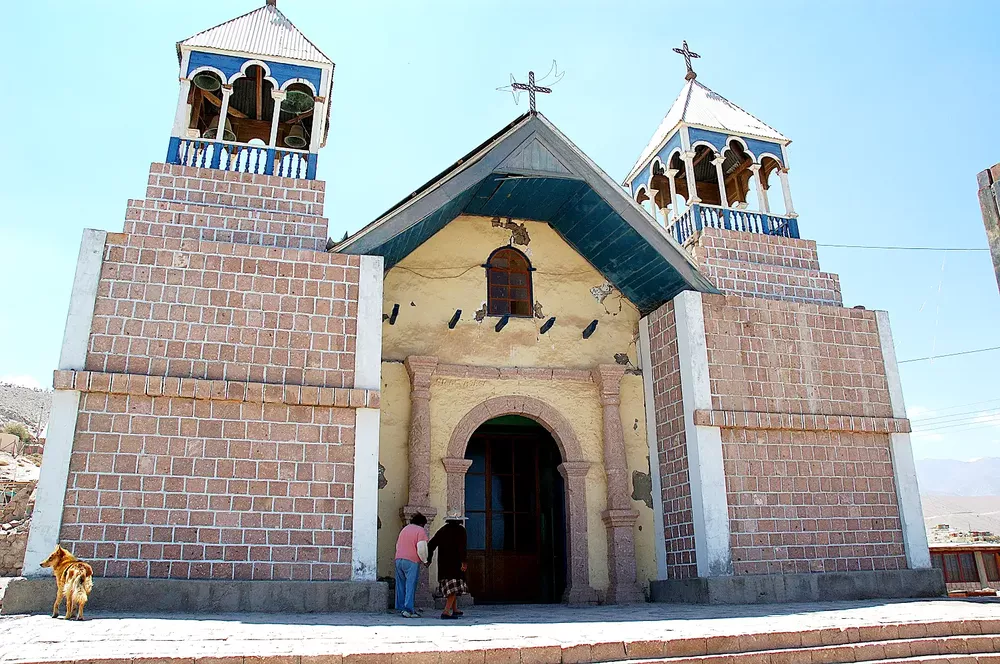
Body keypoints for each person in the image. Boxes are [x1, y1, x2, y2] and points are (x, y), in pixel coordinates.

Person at [427, 509, 468, 619]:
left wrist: (429, 559)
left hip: (444, 565)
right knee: (454, 589)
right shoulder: (461, 531)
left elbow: (430, 545)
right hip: (455, 565)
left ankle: (455, 609)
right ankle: (446, 611)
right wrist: (464, 562)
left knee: (451, 589)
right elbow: (462, 548)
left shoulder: (442, 530)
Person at [394, 512, 429, 618]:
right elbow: (421, 548)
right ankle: (409, 609)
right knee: (410, 585)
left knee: (400, 585)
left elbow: (398, 544)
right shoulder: (420, 531)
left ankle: (401, 607)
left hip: (398, 559)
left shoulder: (404, 529)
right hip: (411, 561)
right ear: (422, 523)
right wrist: (425, 560)